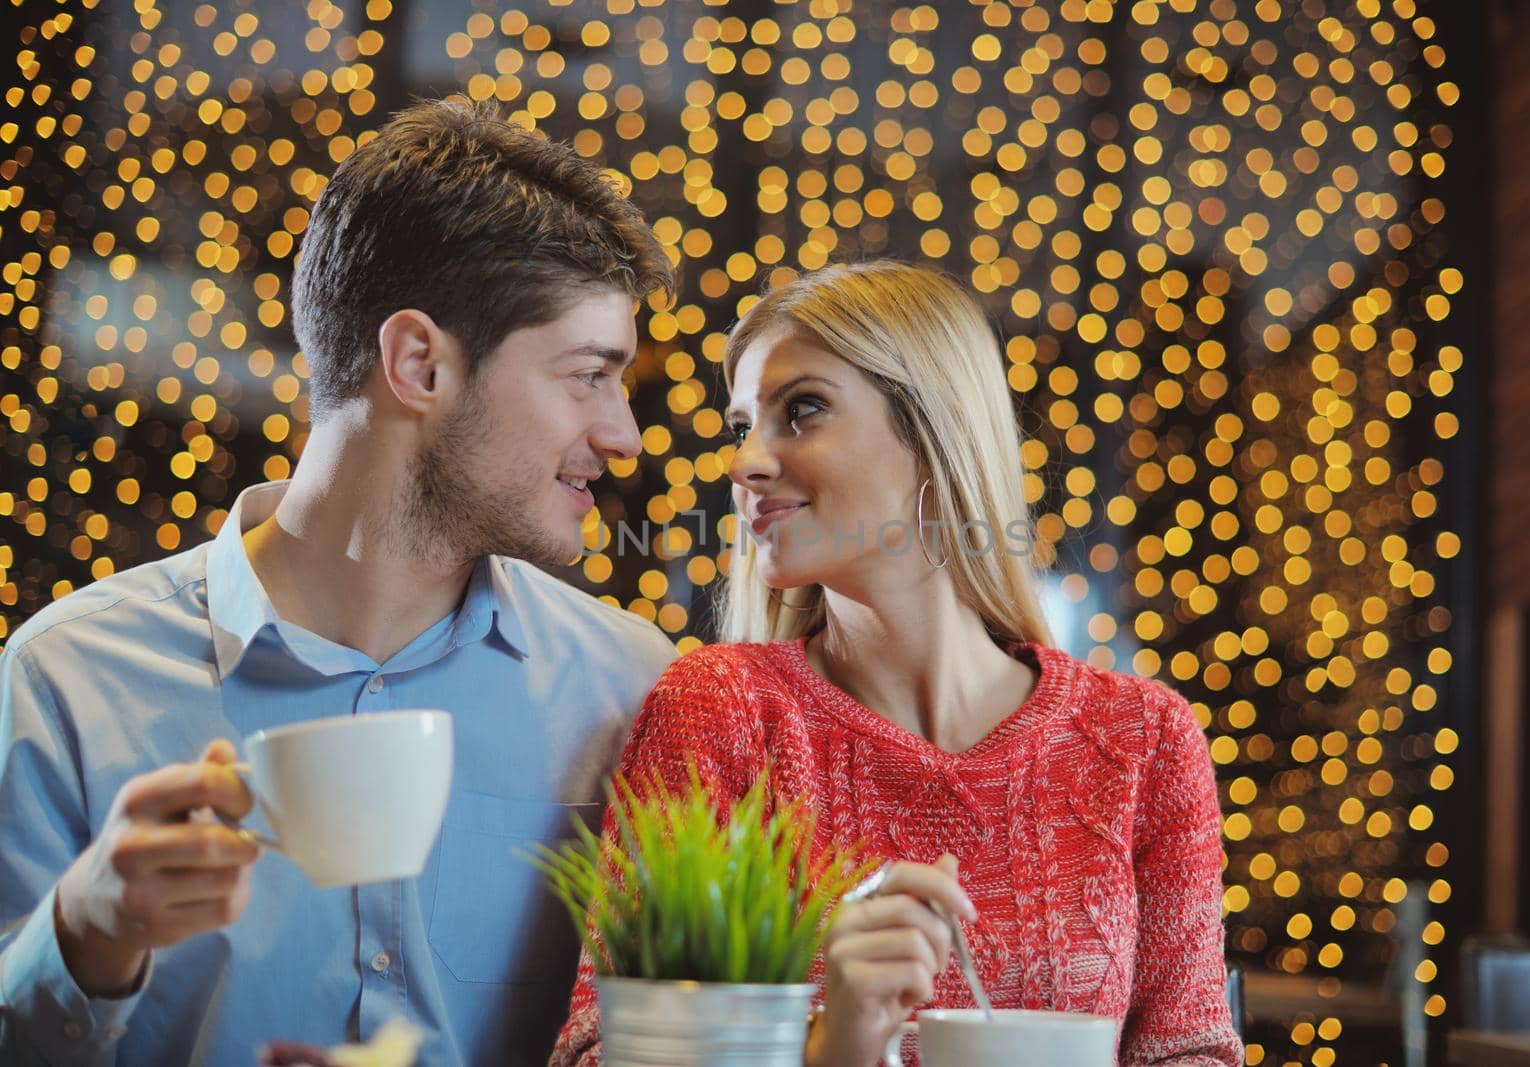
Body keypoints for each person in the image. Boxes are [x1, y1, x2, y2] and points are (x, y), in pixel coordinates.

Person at [0, 100, 678, 1066]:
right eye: (588, 375)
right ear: (418, 363)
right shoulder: (68, 678)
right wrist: (86, 933)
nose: (624, 434)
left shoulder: (626, 687)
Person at [551, 262, 1244, 1067]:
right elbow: (599, 1051)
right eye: (744, 425)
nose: (744, 464)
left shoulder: (1143, 738)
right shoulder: (720, 708)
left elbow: (1188, 1051)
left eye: (801, 409)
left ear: (935, 429)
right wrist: (833, 1047)